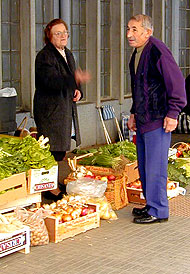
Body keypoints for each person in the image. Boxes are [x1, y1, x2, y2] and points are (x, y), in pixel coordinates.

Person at [126, 14, 187, 224]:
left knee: (155, 167)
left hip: (159, 118)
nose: (129, 34)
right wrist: (133, 112)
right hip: (144, 118)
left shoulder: (158, 51)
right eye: (128, 29)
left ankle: (159, 210)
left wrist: (173, 113)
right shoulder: (137, 54)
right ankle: (150, 204)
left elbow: (176, 83)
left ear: (148, 32)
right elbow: (138, 88)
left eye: (134, 29)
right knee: (144, 166)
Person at [34, 18, 90, 201]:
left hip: (64, 107)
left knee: (61, 148)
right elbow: (50, 82)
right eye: (58, 33)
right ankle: (49, 189)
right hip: (50, 109)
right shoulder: (44, 56)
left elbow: (72, 81)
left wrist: (78, 91)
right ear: (49, 36)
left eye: (65, 32)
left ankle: (53, 182)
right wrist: (74, 79)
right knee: (52, 149)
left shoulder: (68, 54)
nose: (63, 36)